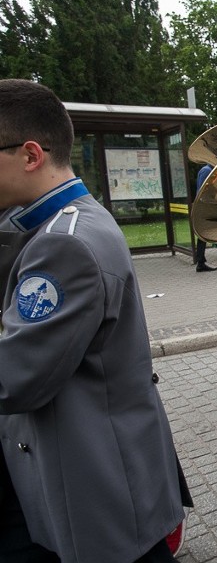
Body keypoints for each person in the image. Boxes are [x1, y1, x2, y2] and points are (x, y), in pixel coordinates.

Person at [0, 79, 188, 562]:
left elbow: (14, 379)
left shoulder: (62, 243)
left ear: (30, 154)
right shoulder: (63, 222)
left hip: (95, 495)